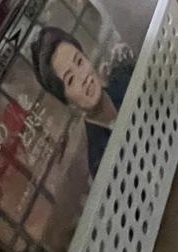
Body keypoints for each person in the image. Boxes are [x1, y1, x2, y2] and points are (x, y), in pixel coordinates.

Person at [30, 26, 131, 178]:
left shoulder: (127, 79)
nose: (83, 77)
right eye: (70, 79)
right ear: (67, 101)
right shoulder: (99, 159)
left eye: (79, 62)